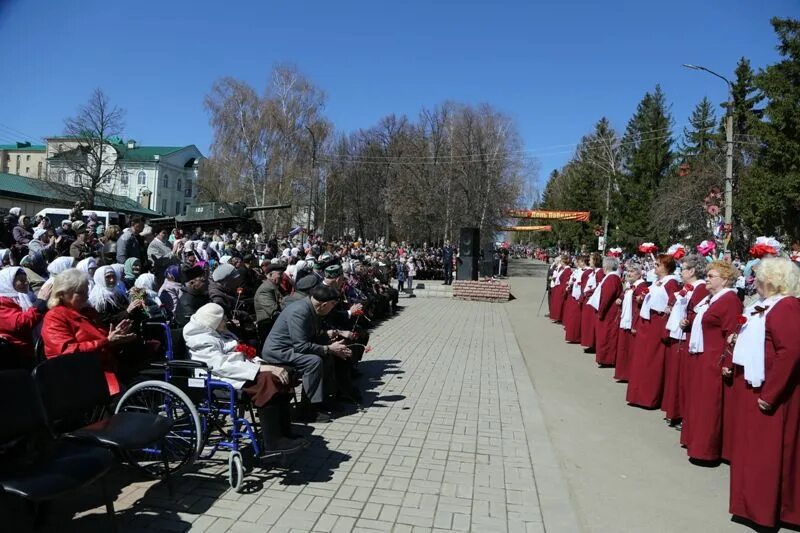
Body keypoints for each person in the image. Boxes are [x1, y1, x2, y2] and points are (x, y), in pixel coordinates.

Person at [729, 257, 800, 528]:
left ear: (770, 280)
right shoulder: (767, 305)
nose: (754, 281)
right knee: (752, 451)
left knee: (767, 454)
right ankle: (750, 504)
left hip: (771, 391)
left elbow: (790, 352)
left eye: (758, 276)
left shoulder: (786, 307)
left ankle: (765, 509)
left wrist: (770, 394)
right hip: (755, 386)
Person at [183, 303, 306, 455]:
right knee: (268, 381)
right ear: (212, 321)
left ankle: (284, 432)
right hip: (218, 377)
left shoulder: (217, 332)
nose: (226, 322)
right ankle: (273, 442)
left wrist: (261, 364)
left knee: (281, 375)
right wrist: (260, 368)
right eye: (223, 319)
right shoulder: (200, 339)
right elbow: (221, 365)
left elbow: (239, 353)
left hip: (238, 369)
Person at [261, 284, 351, 422]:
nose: (333, 308)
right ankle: (307, 409)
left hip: (291, 348)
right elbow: (301, 346)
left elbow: (308, 338)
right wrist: (329, 348)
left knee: (326, 357)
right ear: (324, 304)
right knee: (313, 362)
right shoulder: (300, 312)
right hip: (278, 351)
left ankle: (323, 399)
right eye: (333, 304)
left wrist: (329, 342)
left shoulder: (312, 308)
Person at [41, 269, 138, 395]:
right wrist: (107, 341)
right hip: (79, 376)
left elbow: (101, 338)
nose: (86, 296)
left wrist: (116, 334)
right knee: (131, 393)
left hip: (104, 367)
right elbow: (65, 352)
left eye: (86, 291)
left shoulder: (88, 312)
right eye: (80, 293)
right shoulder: (54, 317)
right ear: (62, 294)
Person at [683, 260, 742, 463]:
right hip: (702, 356)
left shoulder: (729, 301)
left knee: (709, 404)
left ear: (724, 280)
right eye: (707, 275)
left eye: (711, 276)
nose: (706, 279)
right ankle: (696, 442)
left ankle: (706, 450)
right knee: (699, 402)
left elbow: (733, 333)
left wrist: (727, 362)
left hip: (714, 359)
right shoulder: (712, 298)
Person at [626, 254, 680, 409]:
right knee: (641, 360)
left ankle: (648, 397)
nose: (655, 266)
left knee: (651, 361)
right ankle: (637, 395)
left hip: (656, 325)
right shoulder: (657, 282)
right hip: (646, 323)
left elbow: (672, 304)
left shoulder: (671, 283)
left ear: (666, 267)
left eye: (658, 264)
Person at [663, 254, 708, 426]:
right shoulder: (688, 287)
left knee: (684, 377)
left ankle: (681, 414)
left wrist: (687, 319)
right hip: (679, 334)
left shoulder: (700, 287)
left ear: (693, 271)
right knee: (677, 375)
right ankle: (675, 411)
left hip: (689, 337)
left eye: (683, 269)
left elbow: (696, 311)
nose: (680, 272)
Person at [0, 267, 47, 366]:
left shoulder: (28, 296)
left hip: (33, 349)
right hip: (18, 353)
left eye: (26, 280)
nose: (26, 283)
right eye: (21, 280)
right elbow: (19, 323)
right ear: (8, 282)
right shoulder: (2, 302)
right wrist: (39, 304)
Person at [588, 257, 623, 367]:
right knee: (604, 335)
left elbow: (606, 297)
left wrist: (601, 311)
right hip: (608, 312)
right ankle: (604, 357)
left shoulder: (612, 278)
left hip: (609, 313)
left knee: (607, 336)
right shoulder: (610, 277)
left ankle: (607, 359)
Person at [615, 263, 646, 382]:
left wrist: (635, 324)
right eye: (628, 271)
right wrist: (620, 299)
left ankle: (629, 374)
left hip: (632, 322)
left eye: (632, 272)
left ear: (639, 274)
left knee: (631, 350)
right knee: (624, 348)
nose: (629, 274)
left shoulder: (641, 286)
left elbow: (639, 306)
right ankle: (623, 374)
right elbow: (624, 295)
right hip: (625, 320)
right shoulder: (630, 285)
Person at [254, 263, 285, 341]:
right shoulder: (265, 289)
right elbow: (273, 310)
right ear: (270, 275)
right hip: (268, 326)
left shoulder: (275, 286)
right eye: (280, 274)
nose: (282, 277)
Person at [580, 253, 604, 350]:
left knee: (591, 323)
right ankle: (589, 343)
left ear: (595, 261)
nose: (589, 261)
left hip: (592, 300)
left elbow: (599, 287)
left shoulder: (599, 272)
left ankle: (592, 344)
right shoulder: (593, 272)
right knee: (587, 323)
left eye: (590, 259)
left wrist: (589, 292)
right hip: (588, 299)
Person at [563, 255, 589, 344]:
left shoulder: (587, 271)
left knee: (576, 318)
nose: (578, 263)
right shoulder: (579, 270)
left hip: (579, 296)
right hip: (575, 294)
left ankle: (576, 337)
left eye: (580, 261)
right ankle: (572, 336)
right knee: (573, 317)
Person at [549, 255, 572, 324]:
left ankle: (560, 318)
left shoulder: (567, 269)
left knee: (560, 304)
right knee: (557, 303)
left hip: (562, 288)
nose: (560, 262)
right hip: (558, 286)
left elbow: (565, 280)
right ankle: (556, 317)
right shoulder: (563, 269)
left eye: (561, 261)